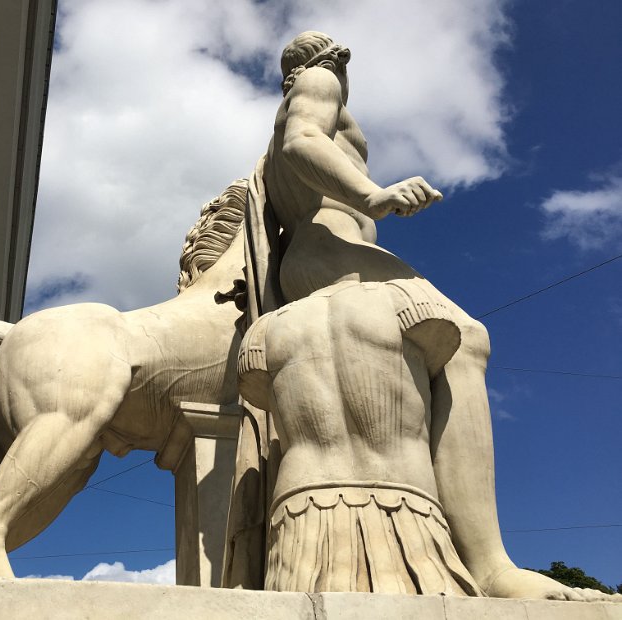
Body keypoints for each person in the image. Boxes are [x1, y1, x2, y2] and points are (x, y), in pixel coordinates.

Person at [232, 31, 610, 601]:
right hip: (335, 253)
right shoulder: (319, 82)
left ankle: (482, 560)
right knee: (466, 340)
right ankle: (491, 567)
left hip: (311, 263)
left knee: (459, 340)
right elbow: (302, 140)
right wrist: (372, 197)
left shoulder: (294, 106)